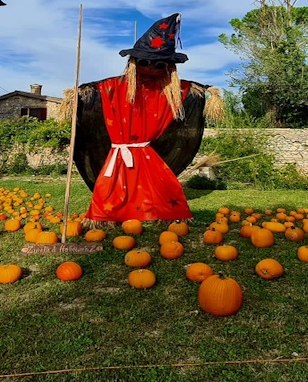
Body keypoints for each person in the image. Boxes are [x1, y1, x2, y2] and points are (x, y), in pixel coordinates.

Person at [64, 13, 221, 224]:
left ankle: (152, 210)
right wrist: (75, 95)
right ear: (133, 61)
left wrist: (209, 92)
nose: (150, 68)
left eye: (159, 64)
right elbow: (95, 90)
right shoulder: (114, 88)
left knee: (160, 190)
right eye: (145, 62)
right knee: (113, 189)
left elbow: (189, 89)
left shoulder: (168, 91)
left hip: (144, 152)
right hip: (120, 151)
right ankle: (112, 213)